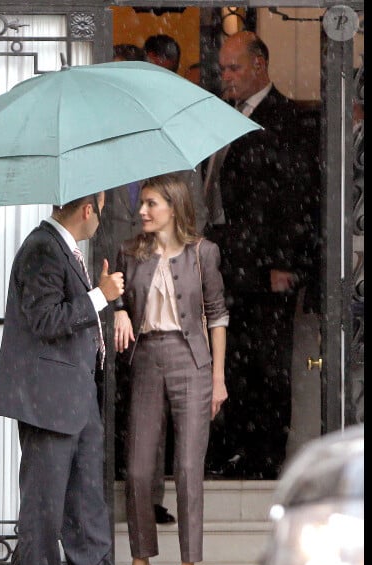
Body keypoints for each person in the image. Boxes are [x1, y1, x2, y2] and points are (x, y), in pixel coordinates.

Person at [0, 192, 148, 565]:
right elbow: (45, 320)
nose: (103, 219)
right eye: (100, 209)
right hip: (46, 396)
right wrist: (100, 296)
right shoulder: (41, 248)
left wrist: (99, 296)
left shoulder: (67, 250)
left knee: (86, 500)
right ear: (86, 210)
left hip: (74, 392)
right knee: (45, 500)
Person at [203, 31, 319, 479]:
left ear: (259, 66)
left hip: (264, 266)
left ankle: (264, 455)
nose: (226, 77)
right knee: (232, 358)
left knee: (267, 362)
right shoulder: (226, 116)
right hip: (229, 264)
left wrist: (284, 263)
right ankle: (234, 448)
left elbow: (296, 197)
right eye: (223, 69)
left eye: (233, 68)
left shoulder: (286, 118)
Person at [113, 173, 228, 565]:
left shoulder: (204, 253)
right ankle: (142, 564)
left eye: (150, 203)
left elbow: (217, 315)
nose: (142, 211)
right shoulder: (128, 252)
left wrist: (218, 378)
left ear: (174, 207)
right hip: (146, 362)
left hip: (192, 363)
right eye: (141, 203)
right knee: (139, 470)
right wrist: (119, 311)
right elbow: (111, 295)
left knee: (186, 470)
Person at [107, 40, 209, 524]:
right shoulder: (101, 156)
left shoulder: (178, 159)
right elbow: (91, 234)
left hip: (162, 302)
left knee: (160, 409)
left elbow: (196, 228)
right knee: (111, 402)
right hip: (107, 297)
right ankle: (109, 492)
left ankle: (150, 500)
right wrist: (111, 300)